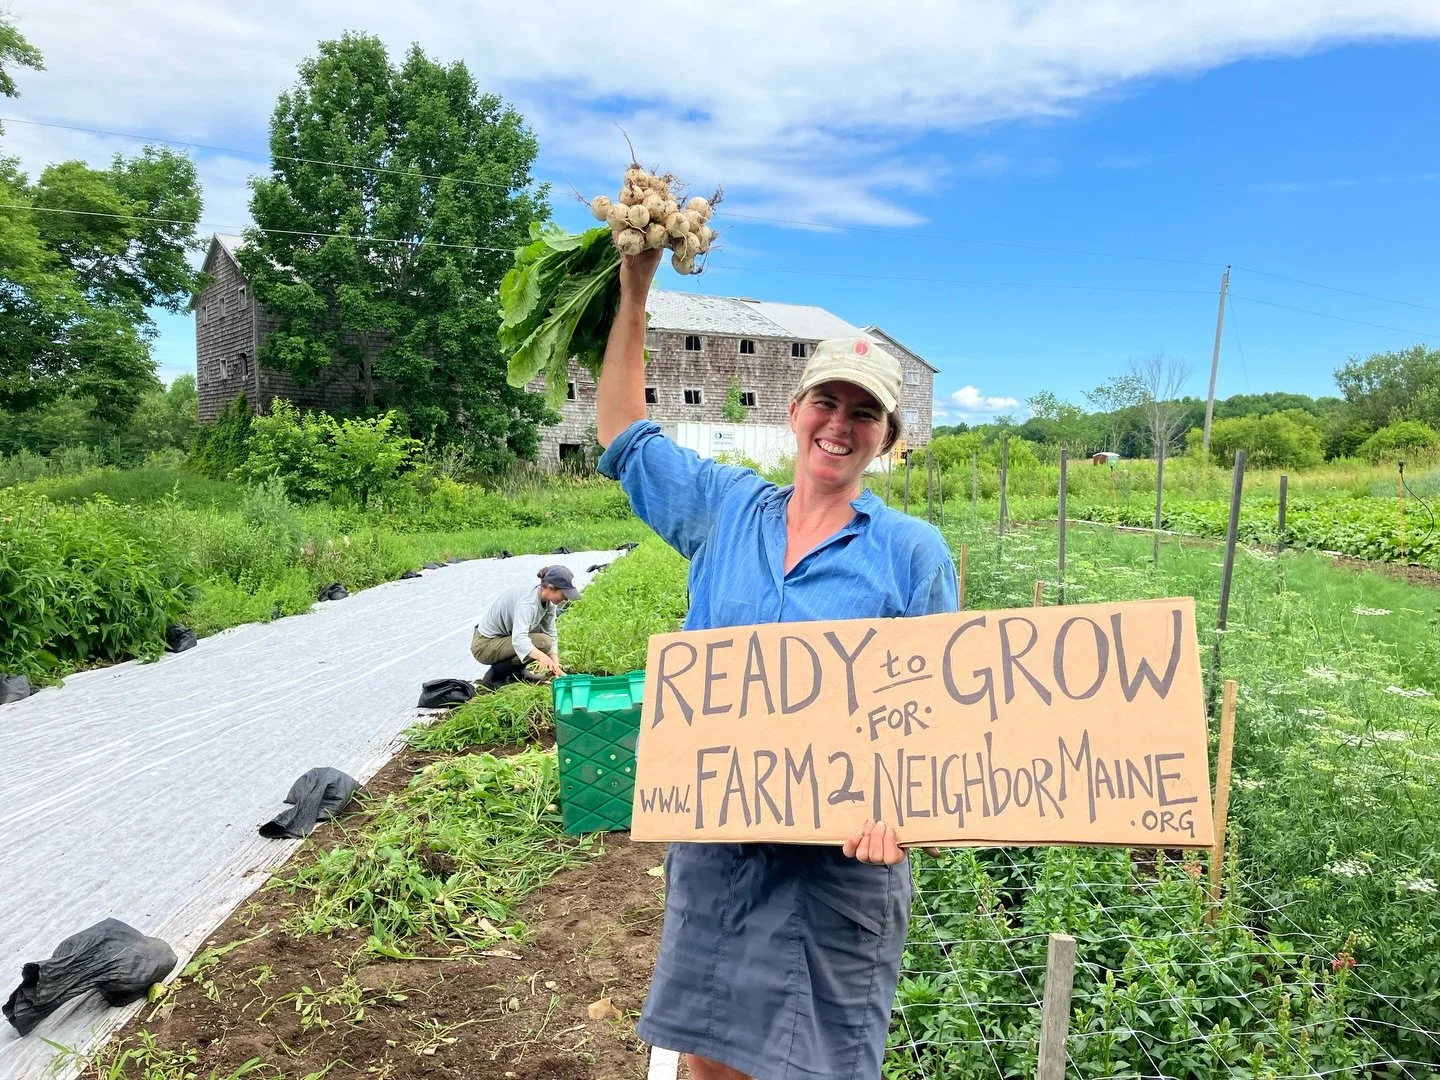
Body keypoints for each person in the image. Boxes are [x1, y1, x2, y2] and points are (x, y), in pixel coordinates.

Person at [595, 247, 959, 1080]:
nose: (840, 423)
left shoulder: (910, 553)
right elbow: (623, 429)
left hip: (839, 867)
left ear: (888, 440)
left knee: (816, 1068)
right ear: (795, 412)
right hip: (723, 851)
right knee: (705, 1060)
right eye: (826, 401)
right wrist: (636, 289)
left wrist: (906, 816)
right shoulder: (724, 510)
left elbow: (937, 716)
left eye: (864, 413)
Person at [470, 565, 579, 689]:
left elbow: (551, 632)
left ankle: (518, 672)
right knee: (542, 642)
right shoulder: (528, 604)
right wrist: (543, 658)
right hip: (484, 645)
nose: (566, 599)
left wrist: (556, 664)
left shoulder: (548, 601)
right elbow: (519, 640)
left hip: (505, 638)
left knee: (543, 637)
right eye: (564, 594)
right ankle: (495, 676)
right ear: (550, 587)